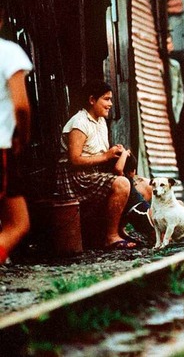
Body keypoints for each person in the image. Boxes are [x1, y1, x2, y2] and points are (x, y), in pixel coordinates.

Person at [56, 80, 137, 250]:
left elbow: (100, 154)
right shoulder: (79, 122)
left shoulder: (100, 122)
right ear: (92, 100)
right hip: (76, 177)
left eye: (111, 99)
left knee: (137, 183)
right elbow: (75, 160)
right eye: (106, 99)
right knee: (122, 184)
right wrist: (106, 156)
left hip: (93, 173)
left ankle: (119, 231)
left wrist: (115, 152)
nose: (110, 104)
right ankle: (111, 236)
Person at [0, 9, 33, 264]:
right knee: (18, 223)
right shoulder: (9, 51)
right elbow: (20, 105)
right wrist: (24, 135)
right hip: (1, 145)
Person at [114, 150, 155, 244]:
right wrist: (124, 154)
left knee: (156, 235)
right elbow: (118, 169)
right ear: (133, 171)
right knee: (156, 234)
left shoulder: (123, 181)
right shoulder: (126, 179)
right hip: (141, 211)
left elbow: (118, 169)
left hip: (139, 212)